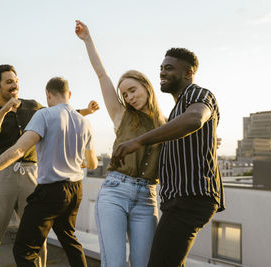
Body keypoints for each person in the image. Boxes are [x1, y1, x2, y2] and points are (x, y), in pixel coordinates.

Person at [0, 76, 98, 267]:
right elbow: (92, 163)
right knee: (70, 241)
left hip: (48, 189)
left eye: (15, 80)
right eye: (9, 81)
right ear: (69, 94)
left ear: (48, 95)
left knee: (24, 250)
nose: (15, 84)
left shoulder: (41, 113)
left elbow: (19, 149)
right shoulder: (84, 123)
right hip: (74, 190)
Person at [112, 48, 225, 267]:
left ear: (188, 72)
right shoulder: (176, 111)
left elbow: (195, 119)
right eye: (161, 68)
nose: (162, 73)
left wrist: (138, 141)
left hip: (191, 198)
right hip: (179, 200)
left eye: (169, 68)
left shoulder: (197, 94)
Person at [75, 20, 165, 267]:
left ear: (146, 87)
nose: (129, 97)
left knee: (142, 264)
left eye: (133, 90)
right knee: (113, 264)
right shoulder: (121, 115)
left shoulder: (167, 124)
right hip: (115, 192)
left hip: (148, 199)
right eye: (124, 94)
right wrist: (88, 40)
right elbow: (102, 74)